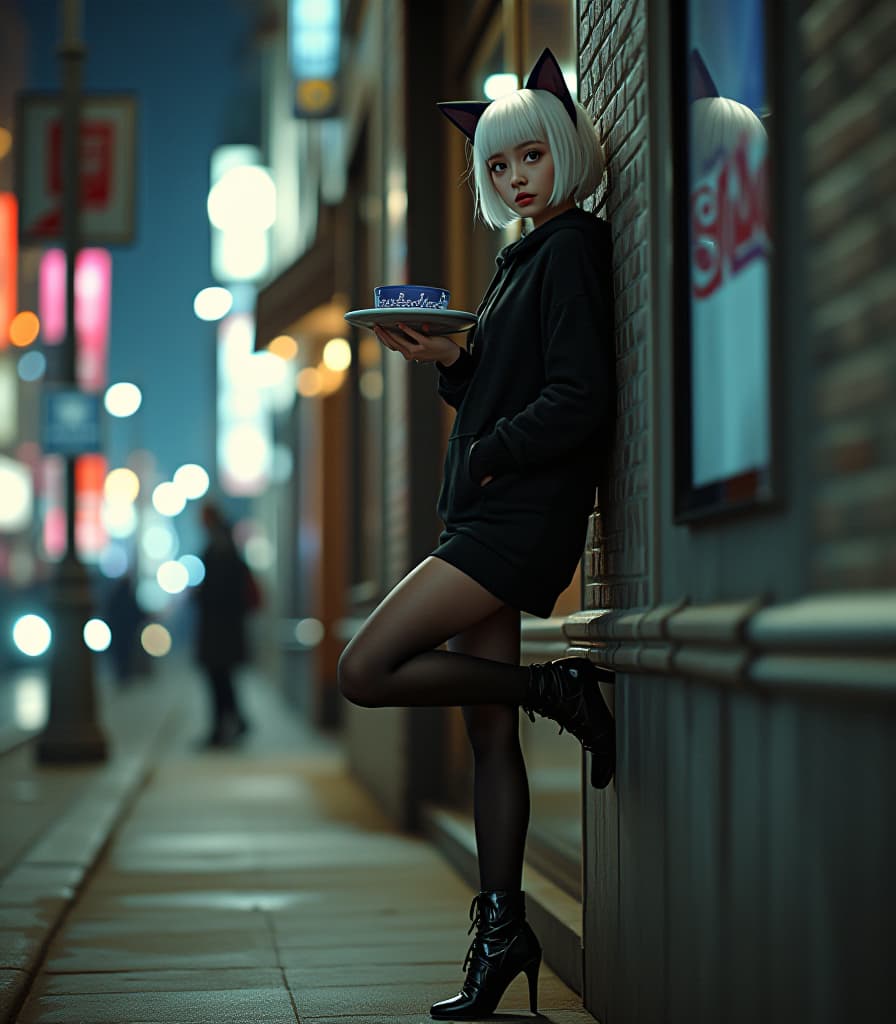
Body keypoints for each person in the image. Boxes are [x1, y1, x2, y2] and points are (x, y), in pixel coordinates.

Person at [337, 48, 615, 1020]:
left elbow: (580, 395)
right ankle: (503, 934)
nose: (513, 178)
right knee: (486, 736)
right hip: (495, 506)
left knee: (363, 669)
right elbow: (513, 378)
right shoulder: (520, 256)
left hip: (514, 516)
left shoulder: (571, 246)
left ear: (566, 153)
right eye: (496, 167)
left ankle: (553, 685)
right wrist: (455, 360)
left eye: (529, 157)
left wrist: (489, 445)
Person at [194, 501, 252, 746]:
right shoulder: (227, 544)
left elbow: (219, 590)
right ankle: (234, 722)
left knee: (219, 679)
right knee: (223, 679)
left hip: (219, 630)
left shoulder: (219, 547)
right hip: (226, 630)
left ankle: (223, 728)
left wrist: (200, 595)